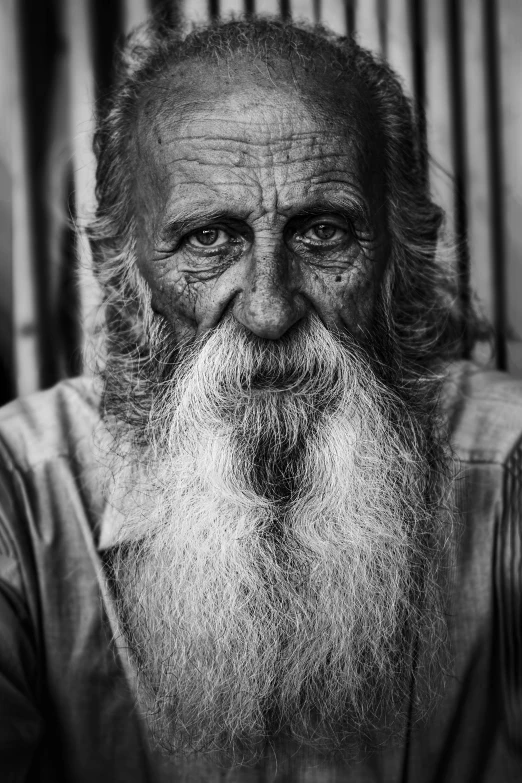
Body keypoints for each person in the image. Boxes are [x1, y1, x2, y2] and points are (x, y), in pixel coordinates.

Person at [0, 16, 520, 783]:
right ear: (121, 267)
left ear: (404, 255)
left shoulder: (508, 468)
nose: (270, 309)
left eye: (323, 232)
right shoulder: (21, 488)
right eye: (210, 239)